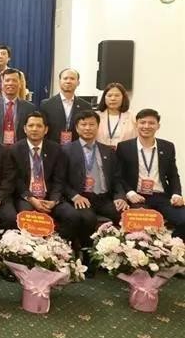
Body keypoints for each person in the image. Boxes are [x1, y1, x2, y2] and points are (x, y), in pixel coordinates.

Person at [12, 112, 93, 250]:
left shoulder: (56, 149)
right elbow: (16, 181)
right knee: (27, 218)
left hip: (51, 196)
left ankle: (57, 249)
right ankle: (30, 254)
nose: (34, 129)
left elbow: (59, 180)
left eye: (39, 126)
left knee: (73, 216)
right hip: (27, 198)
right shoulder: (15, 149)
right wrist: (32, 199)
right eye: (31, 125)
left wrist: (54, 200)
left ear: (46, 129)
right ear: (24, 128)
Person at [62, 110, 128, 271]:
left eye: (92, 124)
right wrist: (74, 195)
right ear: (77, 128)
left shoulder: (108, 151)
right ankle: (87, 255)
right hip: (81, 197)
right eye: (83, 124)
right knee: (88, 218)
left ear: (98, 126)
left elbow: (117, 178)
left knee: (124, 215)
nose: (88, 128)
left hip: (104, 197)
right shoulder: (66, 150)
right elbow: (60, 180)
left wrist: (120, 196)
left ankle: (117, 256)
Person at [116, 109, 185, 238]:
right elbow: (118, 176)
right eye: (142, 122)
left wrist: (177, 194)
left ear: (158, 126)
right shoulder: (124, 147)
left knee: (183, 220)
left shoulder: (167, 147)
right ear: (136, 124)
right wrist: (129, 193)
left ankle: (170, 248)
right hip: (137, 197)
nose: (146, 126)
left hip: (161, 196)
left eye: (151, 123)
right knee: (139, 225)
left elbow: (173, 175)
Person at [39, 68, 91, 145]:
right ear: (60, 82)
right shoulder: (46, 104)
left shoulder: (86, 106)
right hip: (52, 149)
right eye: (65, 78)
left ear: (78, 83)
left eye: (72, 79)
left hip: (76, 149)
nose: (68, 81)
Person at [0, 68, 37, 146]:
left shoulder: (30, 108)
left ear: (20, 84)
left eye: (14, 80)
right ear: (1, 84)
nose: (10, 83)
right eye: (7, 80)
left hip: (19, 150)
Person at [96, 82, 137, 148]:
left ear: (123, 98)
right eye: (109, 95)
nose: (113, 99)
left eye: (117, 95)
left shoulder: (132, 117)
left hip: (125, 154)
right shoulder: (96, 117)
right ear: (104, 98)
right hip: (101, 155)